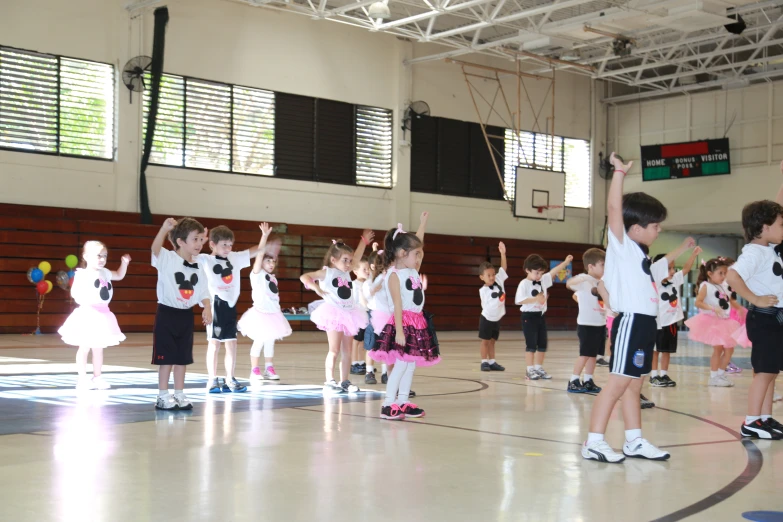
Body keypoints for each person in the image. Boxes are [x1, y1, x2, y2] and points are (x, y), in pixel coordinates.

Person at [582, 152, 694, 463]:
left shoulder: (641, 255)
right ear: (635, 228)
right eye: (655, 225)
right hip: (630, 321)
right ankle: (593, 441)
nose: (659, 230)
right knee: (618, 383)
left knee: (634, 385)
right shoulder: (620, 245)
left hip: (646, 324)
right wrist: (618, 173)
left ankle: (634, 441)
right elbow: (614, 208)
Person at [726, 176, 783, 439]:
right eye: (781, 224)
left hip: (775, 318)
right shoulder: (754, 252)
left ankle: (765, 417)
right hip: (764, 318)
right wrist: (756, 299)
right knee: (764, 372)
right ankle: (751, 421)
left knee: (771, 371)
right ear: (765, 227)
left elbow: (776, 207)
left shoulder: (769, 247)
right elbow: (732, 276)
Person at [370, 223, 439, 420]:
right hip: (403, 323)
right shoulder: (394, 275)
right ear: (402, 253)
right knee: (401, 365)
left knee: (410, 365)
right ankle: (387, 403)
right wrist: (399, 331)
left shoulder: (412, 269)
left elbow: (418, 246)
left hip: (417, 322)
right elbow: (397, 305)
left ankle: (402, 401)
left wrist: (423, 225)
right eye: (416, 254)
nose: (419, 258)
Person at [300, 231, 374, 393]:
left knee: (347, 351)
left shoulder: (347, 272)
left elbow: (358, 255)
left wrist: (364, 241)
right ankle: (329, 380)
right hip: (334, 314)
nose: (349, 264)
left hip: (349, 314)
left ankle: (345, 381)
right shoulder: (326, 272)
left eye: (350, 260)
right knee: (334, 350)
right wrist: (316, 287)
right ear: (334, 260)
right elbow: (304, 277)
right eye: (345, 260)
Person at [151, 217, 212, 411]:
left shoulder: (199, 265)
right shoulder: (167, 259)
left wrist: (207, 307)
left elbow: (203, 291)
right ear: (180, 241)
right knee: (167, 359)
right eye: (195, 239)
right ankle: (162, 395)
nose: (199, 244)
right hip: (167, 314)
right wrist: (163, 229)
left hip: (186, 315)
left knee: (182, 358)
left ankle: (179, 393)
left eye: (201, 240)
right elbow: (155, 249)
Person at [58, 241, 130, 390]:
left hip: (103, 314)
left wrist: (124, 264)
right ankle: (82, 378)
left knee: (98, 348)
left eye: (105, 256)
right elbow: (75, 293)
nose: (102, 259)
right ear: (86, 257)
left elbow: (119, 275)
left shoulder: (105, 272)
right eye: (98, 256)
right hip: (88, 314)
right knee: (84, 347)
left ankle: (97, 377)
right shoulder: (82, 274)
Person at [197, 225, 261, 393]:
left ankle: (230, 378)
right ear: (212, 244)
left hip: (231, 306)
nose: (227, 248)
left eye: (230, 244)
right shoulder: (205, 260)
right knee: (214, 344)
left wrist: (265, 236)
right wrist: (202, 240)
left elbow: (255, 251)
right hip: (215, 305)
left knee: (231, 344)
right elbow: (191, 254)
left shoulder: (235, 258)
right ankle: (212, 380)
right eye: (223, 244)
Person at [238, 223, 292, 382]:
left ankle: (269, 368)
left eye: (273, 262)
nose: (271, 264)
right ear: (261, 263)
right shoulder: (257, 274)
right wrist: (264, 236)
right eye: (268, 261)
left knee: (270, 342)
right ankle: (254, 370)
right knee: (259, 341)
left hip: (273, 314)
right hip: (260, 314)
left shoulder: (272, 277)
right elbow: (259, 256)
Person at [515, 253, 573, 380]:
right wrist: (536, 299)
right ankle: (530, 369)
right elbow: (519, 300)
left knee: (542, 344)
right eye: (537, 273)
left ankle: (538, 367)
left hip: (540, 316)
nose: (539, 276)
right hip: (528, 317)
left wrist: (565, 262)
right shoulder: (523, 284)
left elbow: (553, 272)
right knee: (531, 344)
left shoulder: (542, 280)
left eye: (541, 273)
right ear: (527, 270)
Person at [649, 246, 700, 387]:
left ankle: (663, 374)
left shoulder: (675, 280)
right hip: (658, 322)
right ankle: (654, 376)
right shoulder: (655, 284)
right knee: (655, 350)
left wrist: (693, 255)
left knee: (667, 350)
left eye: (673, 268)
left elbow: (686, 269)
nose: (672, 271)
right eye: (669, 268)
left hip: (671, 322)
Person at [565, 248, 606, 393]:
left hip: (600, 323)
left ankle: (588, 380)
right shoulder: (585, 280)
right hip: (587, 324)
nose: (605, 268)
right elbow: (569, 284)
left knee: (593, 355)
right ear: (591, 266)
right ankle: (573, 380)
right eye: (602, 265)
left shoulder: (602, 282)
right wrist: (580, 278)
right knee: (585, 354)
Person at [477, 242, 508, 372]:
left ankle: (492, 361)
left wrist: (503, 254)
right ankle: (484, 362)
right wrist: (500, 298)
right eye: (488, 276)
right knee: (485, 341)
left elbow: (504, 268)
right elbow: (489, 305)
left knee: (493, 341)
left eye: (493, 274)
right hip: (487, 318)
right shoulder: (483, 290)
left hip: (497, 318)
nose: (492, 277)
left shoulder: (499, 280)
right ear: (482, 277)